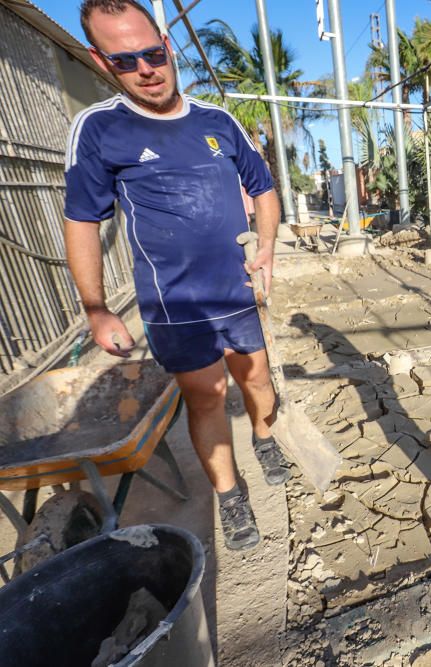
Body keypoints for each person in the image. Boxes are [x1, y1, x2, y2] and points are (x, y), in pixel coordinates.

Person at [63, 0, 290, 551]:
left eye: (152, 52)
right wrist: (96, 307)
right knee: (207, 397)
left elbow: (262, 188)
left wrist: (266, 247)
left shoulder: (218, 121)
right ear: (100, 61)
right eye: (125, 61)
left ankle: (263, 434)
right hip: (174, 303)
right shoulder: (99, 129)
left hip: (235, 288)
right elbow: (82, 220)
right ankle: (231, 494)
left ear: (166, 44)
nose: (145, 68)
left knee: (256, 381)